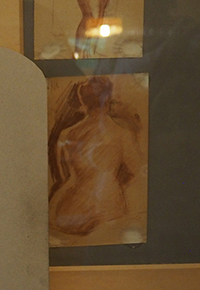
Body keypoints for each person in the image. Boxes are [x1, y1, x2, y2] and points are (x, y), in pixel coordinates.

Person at [48, 76, 144, 236]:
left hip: (73, 211)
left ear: (83, 101)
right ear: (107, 100)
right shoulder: (122, 134)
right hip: (108, 207)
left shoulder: (67, 135)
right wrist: (113, 182)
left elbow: (65, 175)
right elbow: (137, 170)